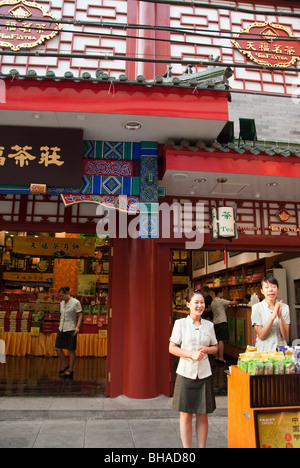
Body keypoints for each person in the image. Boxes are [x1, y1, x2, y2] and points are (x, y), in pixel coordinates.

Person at [169, 290, 218, 448]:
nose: (200, 305)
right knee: (185, 415)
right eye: (196, 302)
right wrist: (190, 354)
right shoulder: (180, 324)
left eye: (202, 302)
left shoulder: (209, 325)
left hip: (204, 374)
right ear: (188, 304)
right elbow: (172, 348)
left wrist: (207, 350)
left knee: (203, 415)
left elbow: (215, 347)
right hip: (185, 374)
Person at [251, 277, 290, 351]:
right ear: (262, 291)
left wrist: (280, 316)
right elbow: (261, 336)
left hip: (281, 349)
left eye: (273, 287)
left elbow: (285, 335)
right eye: (266, 287)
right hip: (264, 350)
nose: (270, 290)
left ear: (278, 289)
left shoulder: (285, 307)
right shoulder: (256, 308)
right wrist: (273, 317)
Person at [55, 286, 82, 378]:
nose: (61, 298)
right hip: (62, 327)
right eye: (60, 296)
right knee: (57, 347)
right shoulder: (61, 303)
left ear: (67, 293)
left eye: (62, 295)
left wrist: (77, 327)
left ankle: (70, 370)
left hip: (71, 328)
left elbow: (80, 315)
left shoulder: (76, 302)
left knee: (71, 349)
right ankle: (65, 364)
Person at [211, 288, 236, 364]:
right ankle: (221, 358)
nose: (223, 294)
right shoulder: (221, 301)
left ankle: (216, 356)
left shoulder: (213, 302)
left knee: (217, 340)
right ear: (219, 293)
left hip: (215, 322)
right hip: (222, 322)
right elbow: (233, 303)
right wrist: (234, 298)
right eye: (222, 293)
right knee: (221, 340)